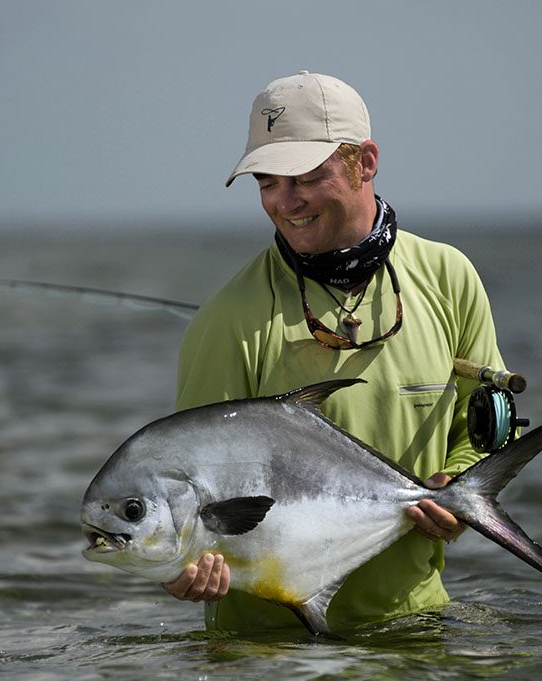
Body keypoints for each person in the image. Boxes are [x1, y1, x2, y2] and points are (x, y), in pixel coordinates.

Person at [163, 70, 505, 633]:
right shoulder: (227, 319)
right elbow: (191, 487)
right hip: (266, 654)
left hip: (416, 630)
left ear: (365, 162)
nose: (285, 202)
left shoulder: (449, 277)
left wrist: (460, 488)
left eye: (305, 177)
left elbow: (490, 427)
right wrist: (181, 568)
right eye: (267, 183)